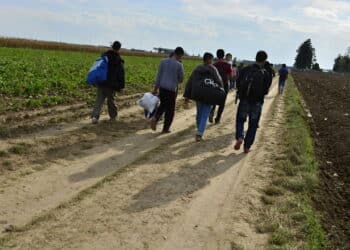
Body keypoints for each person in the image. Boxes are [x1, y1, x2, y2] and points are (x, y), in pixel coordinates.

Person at [234, 50, 272, 153]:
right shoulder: (265, 73)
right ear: (264, 60)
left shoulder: (246, 69)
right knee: (253, 124)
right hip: (257, 102)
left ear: (255, 58)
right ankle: (247, 147)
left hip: (244, 100)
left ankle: (239, 137)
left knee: (240, 120)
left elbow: (238, 83)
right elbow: (266, 90)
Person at [184, 52, 223, 141]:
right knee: (205, 114)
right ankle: (199, 133)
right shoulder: (213, 69)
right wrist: (221, 91)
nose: (212, 61)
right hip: (209, 94)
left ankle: (199, 128)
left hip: (198, 93)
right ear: (209, 60)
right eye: (212, 60)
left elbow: (190, 81)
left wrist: (187, 95)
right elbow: (219, 81)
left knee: (199, 112)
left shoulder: (197, 69)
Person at [150, 47, 185, 133]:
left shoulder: (163, 61)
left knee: (162, 105)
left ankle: (155, 117)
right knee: (170, 110)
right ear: (180, 55)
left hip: (162, 88)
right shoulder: (179, 65)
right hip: (171, 90)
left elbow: (158, 76)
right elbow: (181, 79)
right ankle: (165, 128)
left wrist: (155, 89)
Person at [91, 41, 125, 124]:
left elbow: (97, 68)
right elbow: (121, 74)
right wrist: (121, 86)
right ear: (119, 48)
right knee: (111, 101)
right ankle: (113, 117)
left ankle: (95, 117)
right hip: (111, 85)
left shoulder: (104, 57)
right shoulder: (118, 60)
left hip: (102, 82)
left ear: (112, 46)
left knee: (99, 100)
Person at [209, 49, 232, 124]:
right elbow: (230, 76)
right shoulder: (228, 65)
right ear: (224, 55)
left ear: (217, 55)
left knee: (213, 101)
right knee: (222, 103)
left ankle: (211, 113)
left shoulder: (214, 65)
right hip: (224, 85)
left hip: (215, 85)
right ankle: (218, 119)